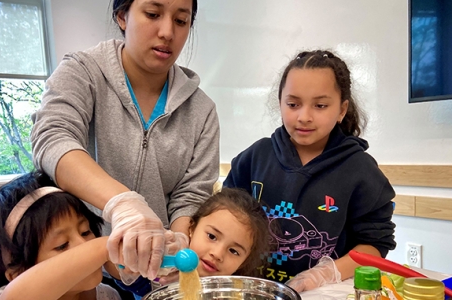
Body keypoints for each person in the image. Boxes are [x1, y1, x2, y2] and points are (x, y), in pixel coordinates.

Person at [30, 0, 219, 284]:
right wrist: (123, 204)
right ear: (122, 16)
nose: (167, 32)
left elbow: (191, 195)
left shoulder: (201, 110)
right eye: (153, 14)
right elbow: (53, 138)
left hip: (154, 266)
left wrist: (179, 239)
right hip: (83, 264)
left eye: (181, 21)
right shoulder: (83, 73)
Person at [224, 50, 396, 292]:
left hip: (323, 294)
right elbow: (224, 218)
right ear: (280, 103)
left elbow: (375, 245)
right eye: (293, 104)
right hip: (254, 289)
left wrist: (325, 274)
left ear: (342, 110)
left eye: (320, 105)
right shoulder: (254, 158)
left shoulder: (361, 171)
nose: (304, 117)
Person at [0, 171, 121, 300]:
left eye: (85, 232)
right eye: (61, 245)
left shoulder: (107, 295)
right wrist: (105, 246)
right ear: (18, 274)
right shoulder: (17, 295)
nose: (86, 247)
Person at [119, 188, 271, 298]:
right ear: (191, 228)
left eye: (234, 251)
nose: (217, 254)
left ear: (244, 262)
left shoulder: (236, 294)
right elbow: (117, 267)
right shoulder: (159, 278)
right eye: (212, 236)